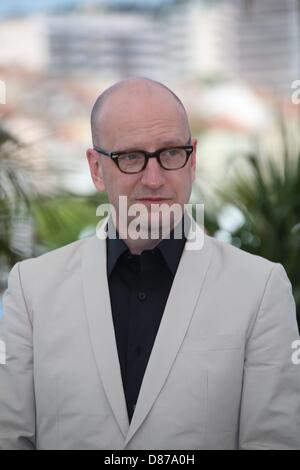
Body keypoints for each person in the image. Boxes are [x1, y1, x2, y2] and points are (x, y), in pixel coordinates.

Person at [0, 77, 299, 450]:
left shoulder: (260, 288)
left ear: (193, 160)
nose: (154, 179)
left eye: (171, 153)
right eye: (130, 157)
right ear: (96, 168)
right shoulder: (32, 289)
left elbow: (273, 443)